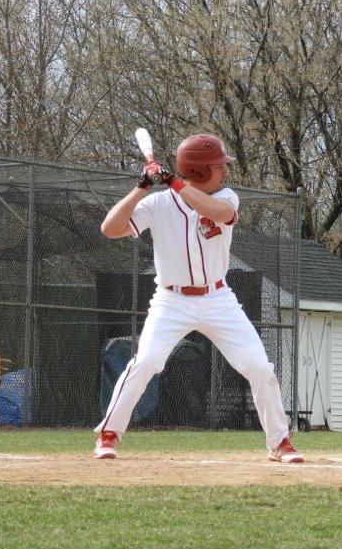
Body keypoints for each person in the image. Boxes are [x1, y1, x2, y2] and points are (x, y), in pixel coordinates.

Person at [94, 133, 303, 463]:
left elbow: (218, 213)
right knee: (146, 362)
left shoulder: (227, 197)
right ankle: (109, 433)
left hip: (218, 298)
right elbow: (110, 228)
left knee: (259, 367)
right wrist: (141, 187)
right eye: (219, 167)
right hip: (171, 300)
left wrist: (175, 181)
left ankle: (279, 442)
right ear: (202, 171)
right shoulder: (158, 204)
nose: (225, 172)